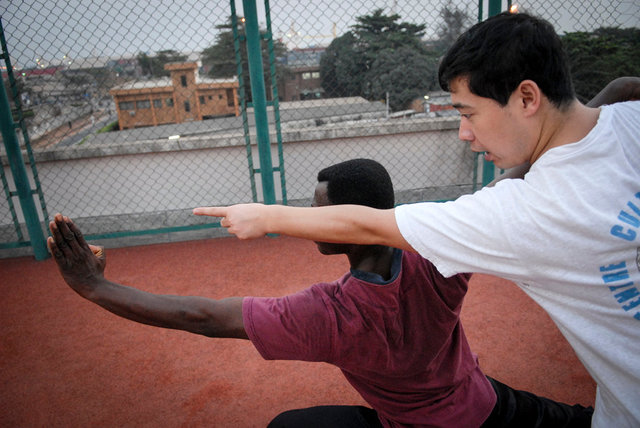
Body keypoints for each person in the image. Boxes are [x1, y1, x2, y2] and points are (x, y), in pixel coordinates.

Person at [193, 13, 640, 428]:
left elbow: (367, 226)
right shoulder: (629, 125)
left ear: (527, 97)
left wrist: (267, 215)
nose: (464, 133)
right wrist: (617, 90)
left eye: (468, 113)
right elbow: (619, 91)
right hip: (489, 404)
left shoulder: (517, 216)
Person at [50, 159, 592, 427]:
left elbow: (201, 316)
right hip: (480, 405)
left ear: (343, 220)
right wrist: (600, 104)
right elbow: (512, 182)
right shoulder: (439, 250)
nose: (309, 217)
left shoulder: (329, 314)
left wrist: (93, 286)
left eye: (318, 208)